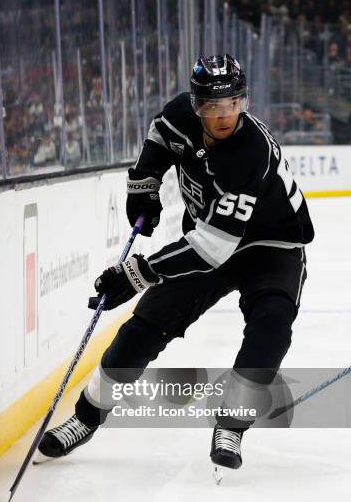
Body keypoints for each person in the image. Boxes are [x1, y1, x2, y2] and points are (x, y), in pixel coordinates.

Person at [38, 54, 314, 471]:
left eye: (234, 105)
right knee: (147, 325)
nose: (225, 116)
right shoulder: (179, 113)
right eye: (214, 108)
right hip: (211, 232)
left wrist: (136, 274)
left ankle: (231, 425)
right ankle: (86, 417)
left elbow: (213, 247)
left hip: (273, 246)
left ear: (244, 101)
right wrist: (144, 182)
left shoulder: (248, 153)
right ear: (196, 104)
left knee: (272, 324)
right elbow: (160, 137)